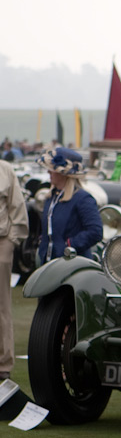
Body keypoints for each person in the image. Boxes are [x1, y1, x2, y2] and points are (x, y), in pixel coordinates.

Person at [36, 147, 103, 264]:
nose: (48, 172)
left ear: (64, 174)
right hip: (49, 263)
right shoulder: (51, 197)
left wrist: (69, 245)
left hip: (72, 264)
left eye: (52, 169)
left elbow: (95, 231)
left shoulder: (83, 198)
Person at [0, 159, 29, 380]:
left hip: (1, 242)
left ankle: (3, 365)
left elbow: (17, 208)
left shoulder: (6, 170)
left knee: (2, 306)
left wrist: (11, 242)